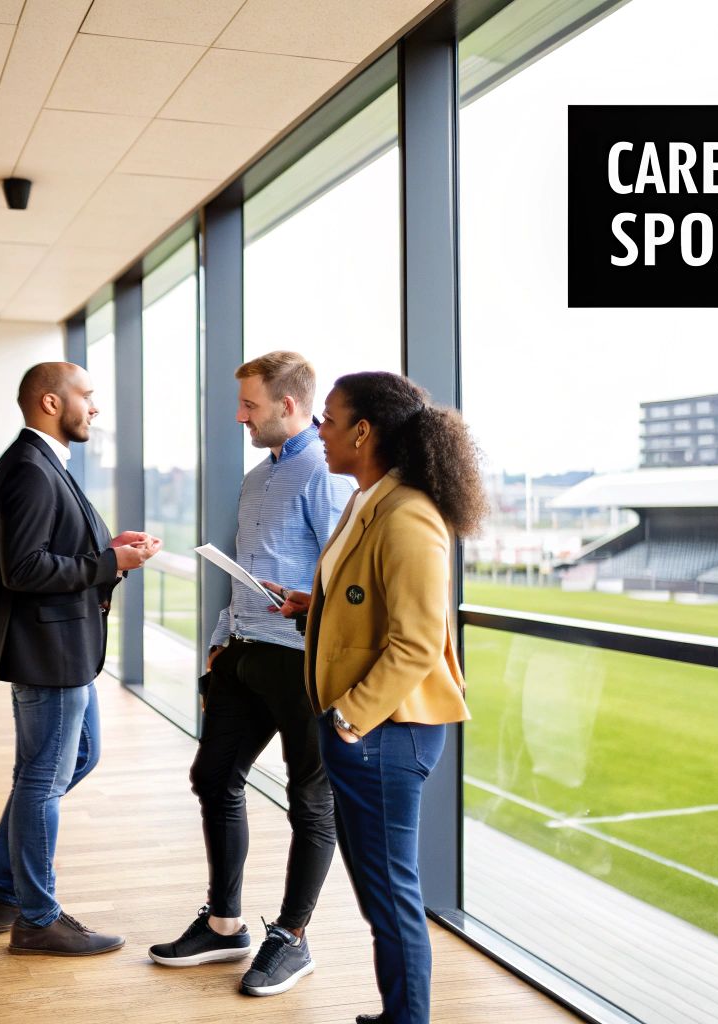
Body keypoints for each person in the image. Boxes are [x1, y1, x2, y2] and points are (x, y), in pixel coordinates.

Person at [275, 371, 485, 1024]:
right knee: (377, 893)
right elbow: (370, 603)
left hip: (385, 733)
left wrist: (346, 719)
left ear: (362, 432)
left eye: (329, 420)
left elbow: (418, 641)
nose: (319, 430)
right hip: (366, 734)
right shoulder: (368, 499)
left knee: (391, 895)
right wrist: (318, 605)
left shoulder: (408, 514)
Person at [149, 352, 351, 995]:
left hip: (300, 661)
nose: (240, 416)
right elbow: (247, 564)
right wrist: (217, 647)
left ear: (289, 406)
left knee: (308, 798)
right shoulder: (258, 477)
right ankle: (225, 923)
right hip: (241, 653)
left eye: (250, 406)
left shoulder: (325, 473)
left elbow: (345, 580)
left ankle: (292, 937)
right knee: (213, 775)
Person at [0, 361, 161, 956]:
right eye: (87, 396)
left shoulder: (44, 462)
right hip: (47, 652)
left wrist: (108, 550)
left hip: (63, 649)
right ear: (51, 402)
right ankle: (36, 917)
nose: (95, 408)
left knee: (73, 759)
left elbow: (49, 550)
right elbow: (22, 569)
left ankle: (7, 890)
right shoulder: (30, 468)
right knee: (43, 779)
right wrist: (110, 565)